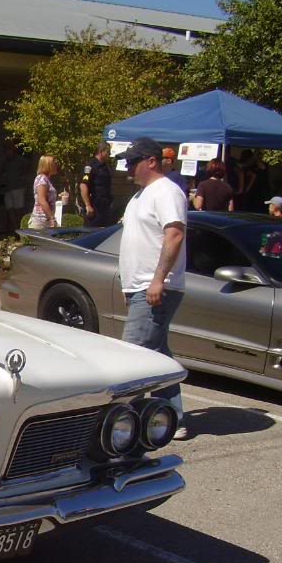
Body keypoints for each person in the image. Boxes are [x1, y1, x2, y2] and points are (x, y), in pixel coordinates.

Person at [115, 137, 189, 440]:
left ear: (152, 161)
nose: (129, 167)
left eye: (134, 161)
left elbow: (173, 236)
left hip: (156, 286)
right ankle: (173, 418)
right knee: (158, 355)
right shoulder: (139, 197)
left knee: (131, 357)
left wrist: (158, 280)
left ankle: (119, 423)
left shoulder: (167, 191)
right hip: (140, 287)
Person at [79, 141, 114, 227]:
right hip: (94, 206)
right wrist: (88, 205)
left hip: (105, 206)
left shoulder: (106, 167)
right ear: (101, 152)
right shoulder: (90, 166)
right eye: (108, 152)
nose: (109, 154)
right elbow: (83, 185)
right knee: (92, 233)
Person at [0, 143, 30, 229]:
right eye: (5, 151)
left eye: (8, 150)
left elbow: (28, 166)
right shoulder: (6, 161)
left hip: (18, 188)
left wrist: (23, 176)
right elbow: (0, 171)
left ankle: (21, 229)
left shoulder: (20, 160)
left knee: (18, 210)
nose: (7, 153)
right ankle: (15, 229)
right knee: (10, 209)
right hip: (8, 189)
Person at [28, 155, 59, 230]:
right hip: (41, 221)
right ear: (48, 165)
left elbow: (47, 198)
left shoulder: (46, 179)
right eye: (54, 163)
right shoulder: (42, 179)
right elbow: (42, 200)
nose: (56, 165)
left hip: (45, 221)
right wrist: (51, 218)